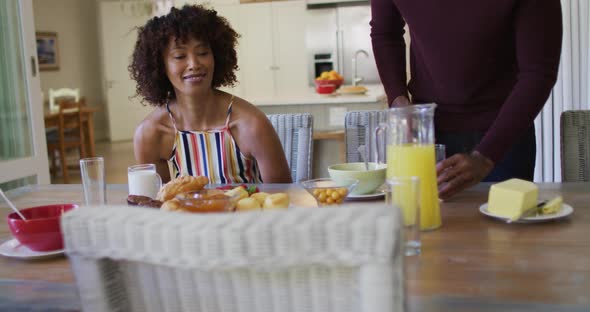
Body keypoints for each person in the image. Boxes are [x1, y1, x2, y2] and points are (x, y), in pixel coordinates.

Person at [370, 0, 562, 200]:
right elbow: (385, 32)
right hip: (427, 136)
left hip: (503, 137)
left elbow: (538, 73)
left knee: (506, 230)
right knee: (426, 228)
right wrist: (399, 101)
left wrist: (486, 156)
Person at [129, 4, 292, 184]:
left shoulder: (251, 124)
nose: (194, 64)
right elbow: (159, 203)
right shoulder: (150, 133)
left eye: (203, 52)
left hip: (249, 212)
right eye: (179, 56)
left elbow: (283, 196)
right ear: (160, 66)